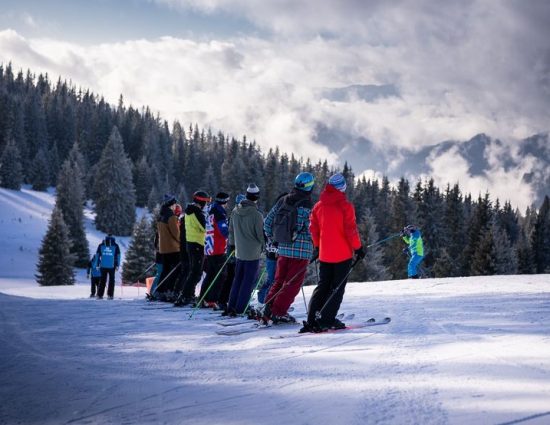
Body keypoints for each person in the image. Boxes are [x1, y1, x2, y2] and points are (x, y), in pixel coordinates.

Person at [300, 173, 365, 332]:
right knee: (336, 288)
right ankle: (326, 320)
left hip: (324, 254)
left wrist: (317, 246)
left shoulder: (318, 206)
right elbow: (351, 230)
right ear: (342, 188)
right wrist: (358, 248)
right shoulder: (345, 206)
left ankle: (312, 318)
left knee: (323, 286)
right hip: (342, 254)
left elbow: (313, 228)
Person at [262, 172, 315, 324]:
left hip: (283, 248)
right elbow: (311, 229)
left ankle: (268, 309)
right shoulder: (308, 205)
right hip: (301, 251)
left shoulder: (283, 200)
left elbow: (267, 223)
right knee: (292, 284)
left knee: (279, 281)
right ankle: (278, 312)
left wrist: (273, 239)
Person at [226, 184, 265, 316]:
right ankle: (241, 307)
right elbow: (260, 235)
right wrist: (266, 246)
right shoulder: (256, 215)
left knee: (238, 279)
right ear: (257, 197)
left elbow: (231, 231)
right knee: (248, 282)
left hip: (239, 252)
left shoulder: (235, 211)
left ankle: (232, 305)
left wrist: (231, 245)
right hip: (252, 253)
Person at [176, 190, 210, 306]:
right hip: (197, 244)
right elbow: (204, 227)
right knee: (196, 272)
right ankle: (185, 295)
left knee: (194, 271)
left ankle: (187, 294)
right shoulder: (197, 213)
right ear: (202, 202)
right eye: (206, 202)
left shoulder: (188, 211)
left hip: (190, 243)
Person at [199, 192, 230, 309]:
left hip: (209, 247)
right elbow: (224, 231)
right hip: (217, 248)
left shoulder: (211, 209)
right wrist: (230, 232)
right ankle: (211, 299)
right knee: (221, 275)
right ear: (224, 201)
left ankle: (203, 298)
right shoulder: (220, 213)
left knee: (211, 274)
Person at [217, 194, 245, 311]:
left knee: (233, 276)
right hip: (235, 250)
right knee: (233, 276)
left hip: (234, 249)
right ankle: (224, 300)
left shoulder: (235, 214)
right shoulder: (237, 215)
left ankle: (226, 299)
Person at [155, 195, 180, 301]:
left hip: (163, 249)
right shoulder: (171, 216)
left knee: (165, 271)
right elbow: (176, 233)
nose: (175, 206)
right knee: (175, 271)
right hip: (173, 248)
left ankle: (160, 291)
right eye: (174, 204)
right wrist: (183, 242)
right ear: (171, 204)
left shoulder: (162, 215)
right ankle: (169, 291)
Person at [96, 234, 121, 300]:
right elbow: (118, 256)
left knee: (102, 280)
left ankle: (99, 295)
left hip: (103, 265)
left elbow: (97, 255)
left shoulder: (101, 245)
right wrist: (118, 265)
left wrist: (97, 264)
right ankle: (110, 295)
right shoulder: (115, 245)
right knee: (111, 281)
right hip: (112, 266)